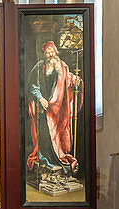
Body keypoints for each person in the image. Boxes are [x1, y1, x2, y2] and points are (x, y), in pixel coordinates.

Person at [26, 41, 83, 176]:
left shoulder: (62, 66)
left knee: (58, 135)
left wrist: (76, 81)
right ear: (44, 54)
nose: (50, 54)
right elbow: (32, 85)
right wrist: (40, 98)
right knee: (45, 136)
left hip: (58, 109)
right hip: (43, 108)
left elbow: (69, 79)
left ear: (55, 52)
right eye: (47, 52)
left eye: (52, 51)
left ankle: (58, 160)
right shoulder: (40, 67)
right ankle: (47, 160)